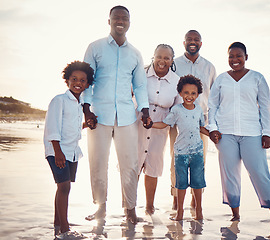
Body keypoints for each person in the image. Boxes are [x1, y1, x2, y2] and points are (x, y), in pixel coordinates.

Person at [82, 5, 150, 224]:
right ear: (109, 21)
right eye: (116, 17)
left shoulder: (135, 53)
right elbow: (86, 81)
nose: (120, 21)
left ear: (129, 23)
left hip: (127, 116)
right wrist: (86, 110)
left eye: (125, 18)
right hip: (99, 116)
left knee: (130, 163)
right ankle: (100, 207)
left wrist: (145, 110)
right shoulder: (95, 47)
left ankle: (130, 209)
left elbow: (139, 86)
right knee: (98, 162)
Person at [208, 42, 270, 227]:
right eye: (231, 56)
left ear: (246, 57)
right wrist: (213, 128)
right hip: (225, 134)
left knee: (259, 172)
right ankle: (235, 214)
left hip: (252, 133)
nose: (235, 60)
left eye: (238, 56)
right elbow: (212, 106)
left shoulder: (257, 78)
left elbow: (266, 106)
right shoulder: (222, 80)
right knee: (230, 174)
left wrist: (267, 132)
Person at [145, 75, 209, 221]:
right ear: (180, 93)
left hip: (197, 152)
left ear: (198, 94)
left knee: (198, 183)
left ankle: (199, 211)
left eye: (193, 93)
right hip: (181, 153)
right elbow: (165, 123)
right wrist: (151, 124)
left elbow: (200, 127)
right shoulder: (176, 110)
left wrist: (212, 134)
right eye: (186, 93)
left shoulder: (198, 110)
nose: (189, 96)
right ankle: (180, 212)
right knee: (180, 184)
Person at [43, 61, 94, 238]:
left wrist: (86, 125)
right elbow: (53, 127)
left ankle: (58, 225)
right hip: (58, 151)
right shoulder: (59, 100)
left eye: (82, 80)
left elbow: (70, 127)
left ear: (87, 84)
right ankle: (65, 230)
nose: (78, 83)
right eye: (74, 79)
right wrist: (57, 152)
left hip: (72, 151)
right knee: (64, 187)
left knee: (63, 188)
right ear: (67, 80)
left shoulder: (79, 105)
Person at [170, 30, 217, 210]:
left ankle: (195, 200)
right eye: (189, 39)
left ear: (201, 43)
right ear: (184, 43)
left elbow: (213, 98)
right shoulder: (174, 64)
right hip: (178, 120)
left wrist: (212, 125)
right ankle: (176, 197)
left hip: (201, 121)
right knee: (176, 159)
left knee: (200, 160)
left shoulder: (209, 67)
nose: (192, 42)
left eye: (196, 39)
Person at [137, 44, 181, 214]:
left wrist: (161, 123)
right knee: (134, 163)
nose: (162, 61)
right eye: (159, 57)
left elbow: (176, 110)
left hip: (160, 125)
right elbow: (130, 93)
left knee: (153, 165)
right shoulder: (141, 73)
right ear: (153, 57)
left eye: (166, 58)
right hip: (138, 121)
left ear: (171, 60)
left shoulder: (176, 81)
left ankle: (149, 206)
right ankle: (130, 206)